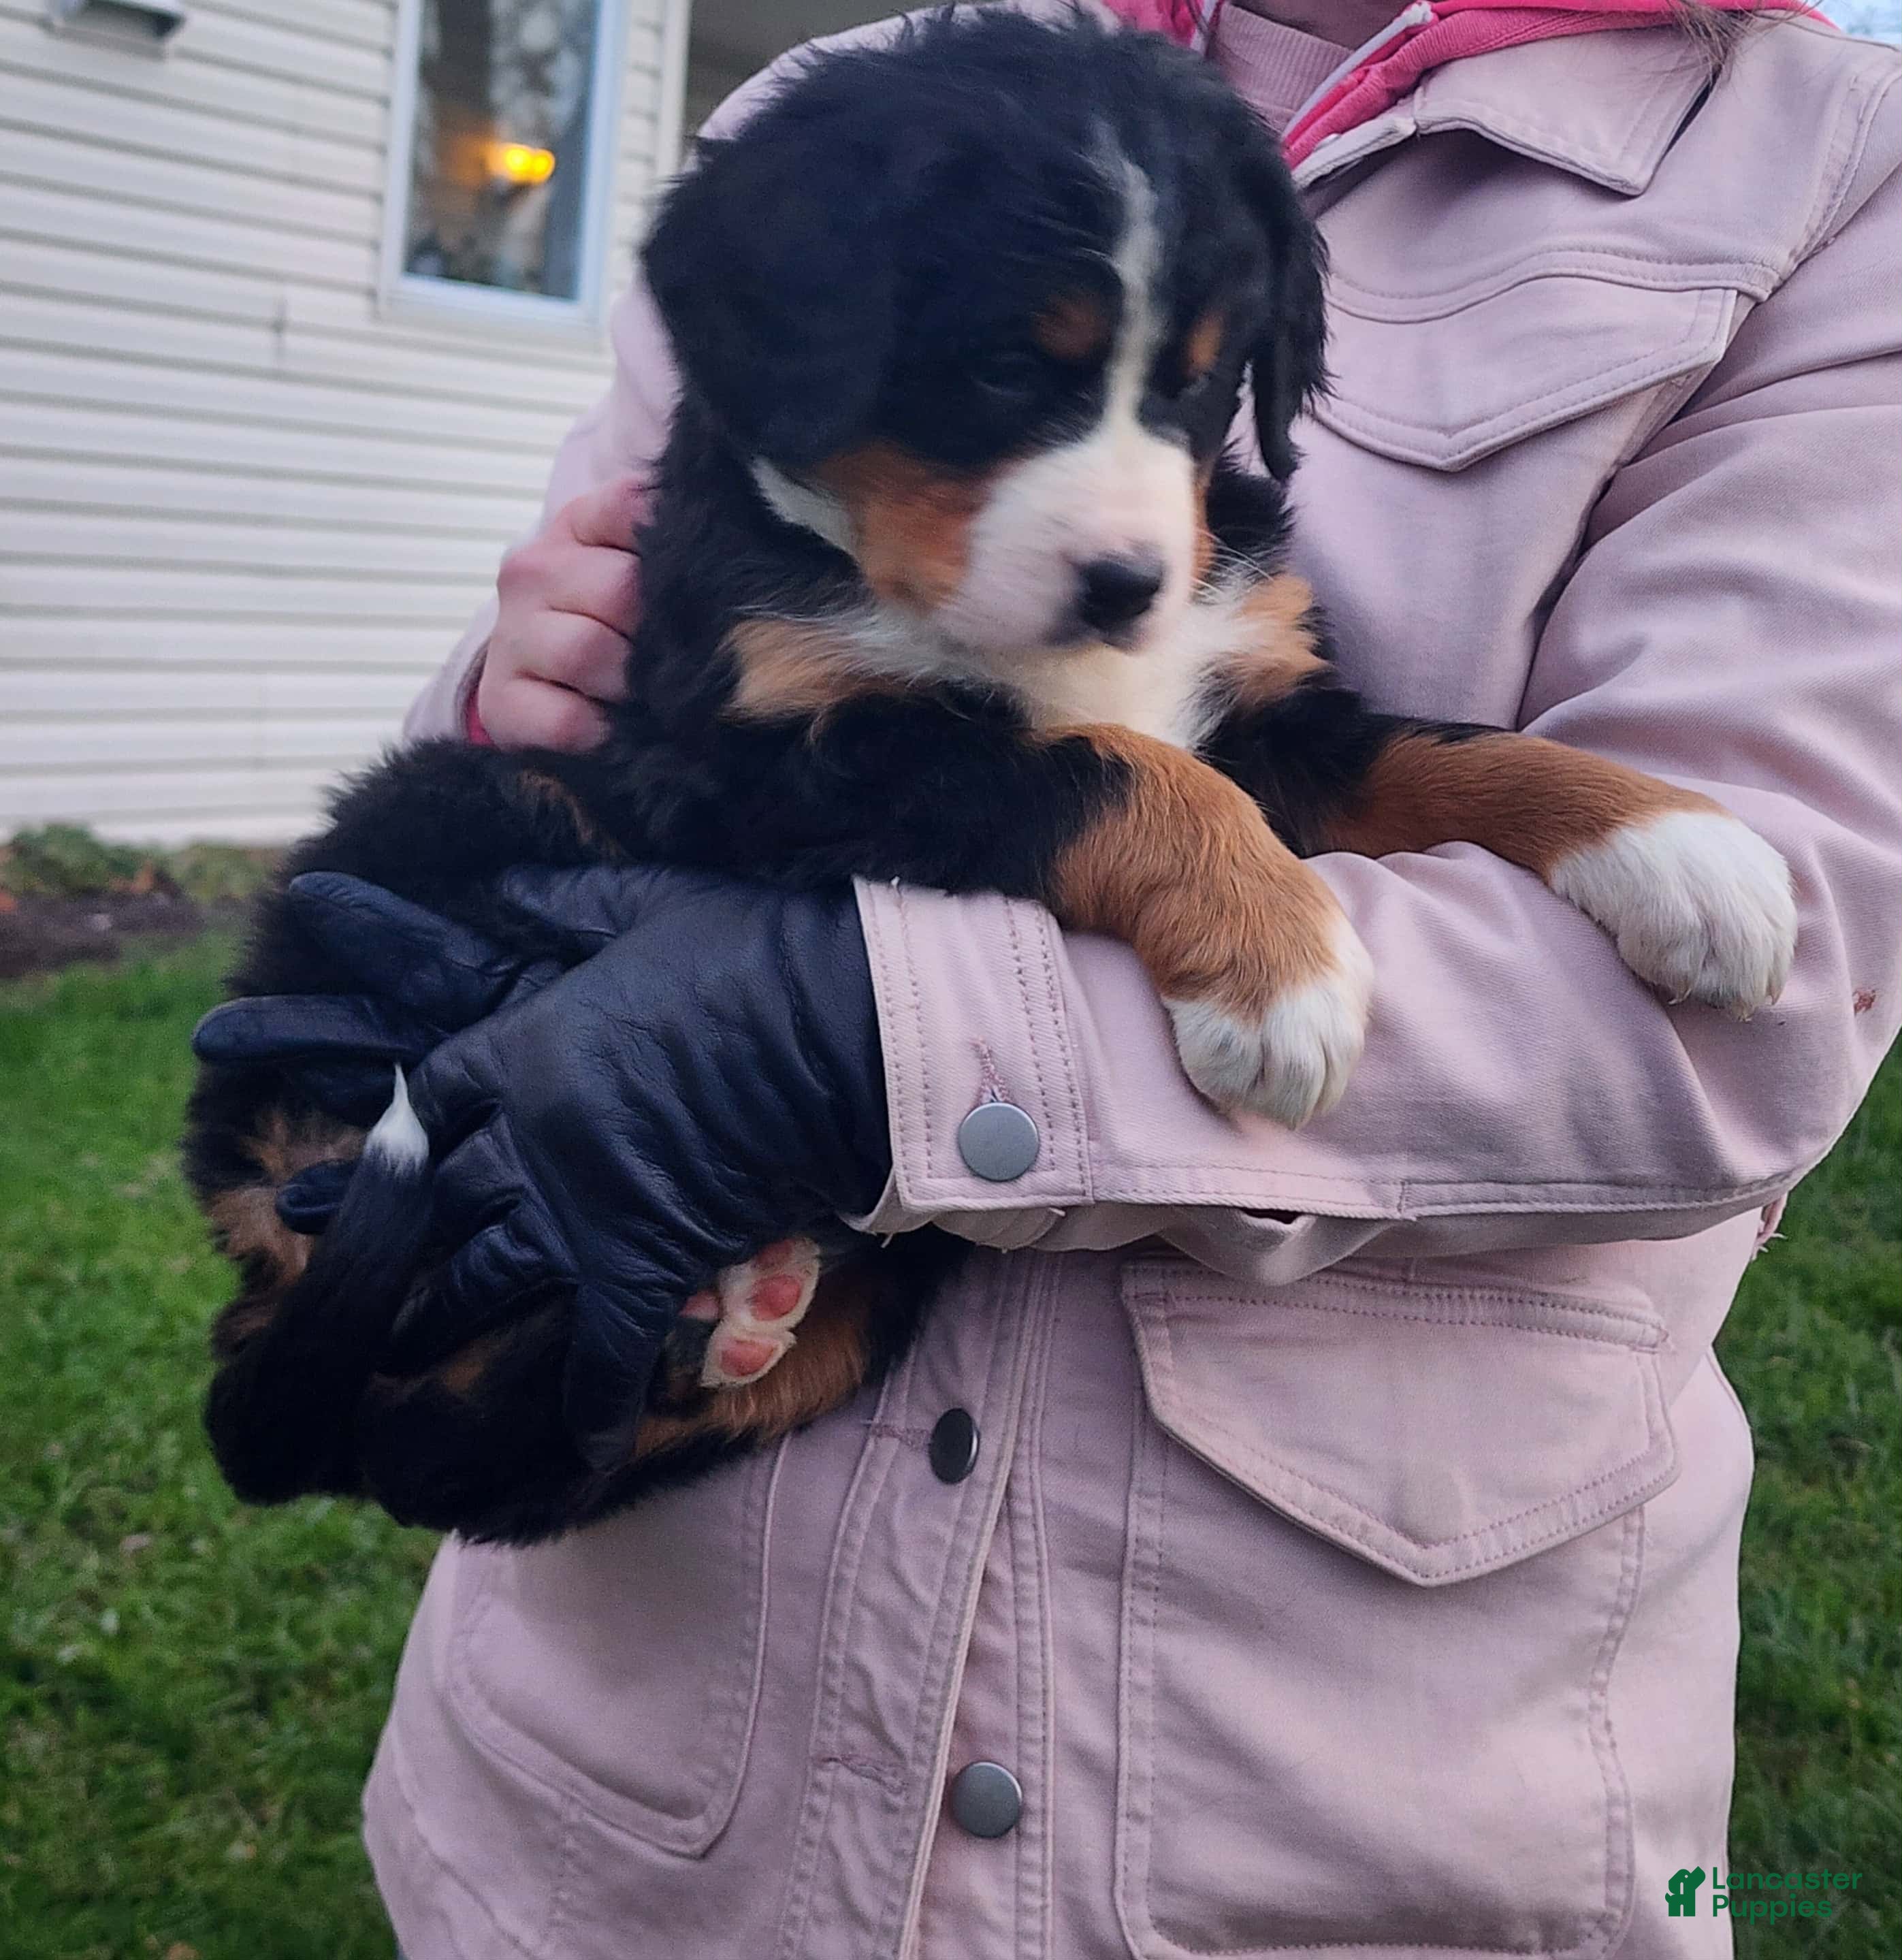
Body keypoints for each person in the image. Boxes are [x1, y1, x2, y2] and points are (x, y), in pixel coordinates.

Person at [209, 2, 1902, 1953]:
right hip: (648, 1776)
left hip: (1329, 1788)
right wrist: (514, 680)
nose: (1129, 533)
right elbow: (624, 698)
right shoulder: (832, 122)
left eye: (1188, 410)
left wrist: (856, 1035)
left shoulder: (1833, 173)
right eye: (999, 398)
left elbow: (1747, 1001)